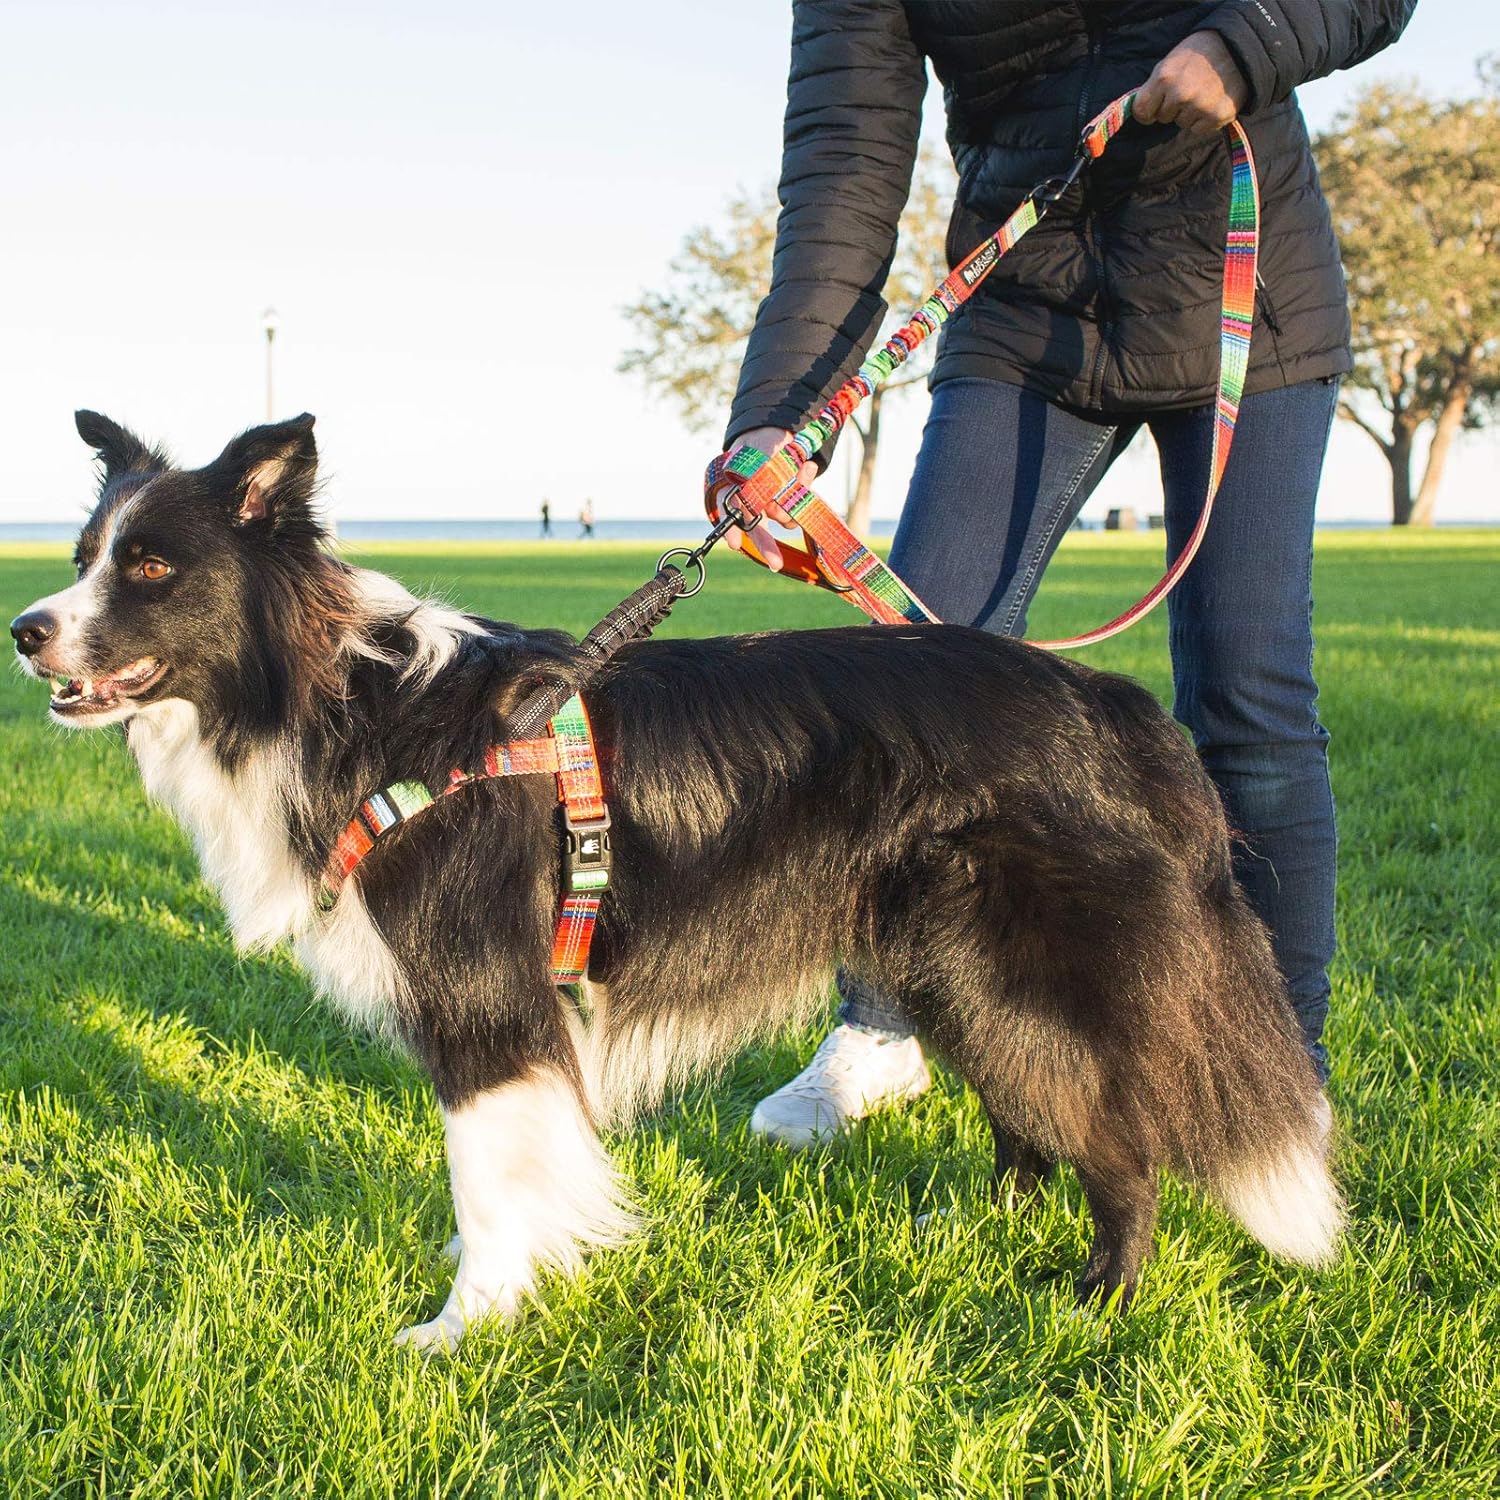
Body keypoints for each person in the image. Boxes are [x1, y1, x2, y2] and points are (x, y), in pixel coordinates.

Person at [725, 0, 1415, 1148]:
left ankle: (1287, 1073)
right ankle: (881, 1032)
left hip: (1244, 295)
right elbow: (844, 173)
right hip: (1022, 312)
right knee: (914, 687)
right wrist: (782, 418)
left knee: (1249, 692)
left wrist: (1240, 48)